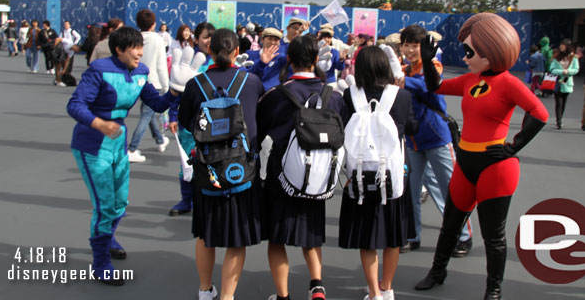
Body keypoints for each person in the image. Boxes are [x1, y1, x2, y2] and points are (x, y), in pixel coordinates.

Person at [414, 13, 548, 300]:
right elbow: (435, 86)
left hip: (495, 167)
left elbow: (540, 113)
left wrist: (513, 146)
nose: (464, 57)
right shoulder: (470, 79)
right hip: (465, 161)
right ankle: (438, 271)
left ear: (491, 52)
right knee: (450, 225)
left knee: (493, 236)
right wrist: (426, 61)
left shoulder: (509, 83)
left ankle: (493, 289)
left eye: (469, 51)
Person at [66, 26, 183, 285]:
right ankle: (100, 263)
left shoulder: (142, 72)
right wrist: (100, 124)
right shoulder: (98, 70)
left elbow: (158, 104)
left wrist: (176, 89)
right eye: (135, 47)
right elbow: (74, 105)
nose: (140, 52)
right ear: (119, 49)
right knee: (105, 205)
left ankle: (108, 238)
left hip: (118, 145)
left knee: (120, 204)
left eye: (141, 47)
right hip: (92, 145)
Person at [178, 29, 264, 300]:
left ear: (210, 51)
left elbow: (185, 121)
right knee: (236, 238)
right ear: (237, 51)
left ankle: (205, 290)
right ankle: (227, 296)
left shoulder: (196, 84)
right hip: (242, 168)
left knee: (205, 234)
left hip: (208, 168)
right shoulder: (251, 82)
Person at [258, 35, 346, 300]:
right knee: (312, 234)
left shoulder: (276, 95)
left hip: (282, 172)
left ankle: (282, 296)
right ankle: (316, 285)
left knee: (277, 238)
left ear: (288, 59)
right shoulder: (334, 96)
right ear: (316, 60)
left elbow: (259, 132)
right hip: (318, 175)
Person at [339, 45, 418, 300]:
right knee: (393, 235)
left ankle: (373, 292)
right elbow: (412, 128)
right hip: (393, 176)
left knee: (366, 237)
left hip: (360, 176)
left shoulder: (350, 96)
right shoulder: (401, 96)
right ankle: (387, 287)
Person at [398, 24, 473, 257]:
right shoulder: (404, 70)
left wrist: (399, 80)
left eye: (415, 46)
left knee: (450, 189)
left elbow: (428, 86)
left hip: (437, 138)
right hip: (413, 140)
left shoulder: (433, 66)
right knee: (410, 191)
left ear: (425, 47)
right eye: (406, 45)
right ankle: (412, 235)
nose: (410, 50)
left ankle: (463, 237)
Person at [166, 21, 216, 217]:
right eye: (205, 36)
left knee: (212, 163)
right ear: (196, 39)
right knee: (187, 164)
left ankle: (208, 200)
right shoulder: (184, 64)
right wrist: (172, 116)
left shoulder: (217, 64)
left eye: (212, 37)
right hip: (189, 123)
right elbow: (176, 93)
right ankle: (186, 200)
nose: (208, 41)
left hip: (213, 123)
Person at [127, 9, 170, 163]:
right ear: (153, 24)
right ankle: (132, 148)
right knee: (147, 114)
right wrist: (166, 86)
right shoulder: (158, 39)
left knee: (148, 112)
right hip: (154, 81)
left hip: (137, 80)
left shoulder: (136, 38)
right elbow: (161, 65)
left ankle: (160, 139)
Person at [549, 39, 579, 129]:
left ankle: (560, 117)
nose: (561, 46)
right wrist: (562, 71)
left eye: (563, 45)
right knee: (558, 102)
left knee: (564, 102)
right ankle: (559, 121)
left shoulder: (573, 58)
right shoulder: (556, 57)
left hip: (567, 82)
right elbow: (552, 69)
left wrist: (568, 71)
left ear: (568, 47)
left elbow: (576, 69)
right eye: (561, 45)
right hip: (557, 83)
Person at [54, 21, 82, 86]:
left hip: (66, 52)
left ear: (70, 25)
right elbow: (58, 39)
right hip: (60, 51)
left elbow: (67, 61)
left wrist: (64, 70)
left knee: (67, 66)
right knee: (58, 66)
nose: (66, 25)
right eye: (65, 24)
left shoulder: (72, 31)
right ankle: (58, 80)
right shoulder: (67, 39)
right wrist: (55, 49)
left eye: (67, 24)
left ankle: (64, 78)